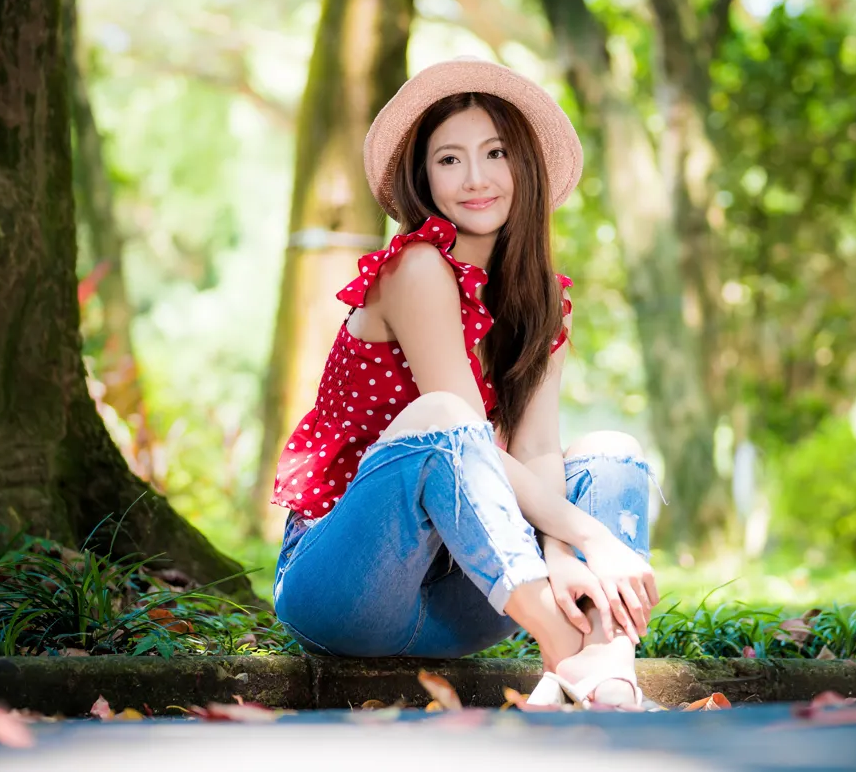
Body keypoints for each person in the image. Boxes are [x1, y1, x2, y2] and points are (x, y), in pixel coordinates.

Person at [270, 57, 661, 710]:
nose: (475, 179)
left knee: (612, 451)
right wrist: (595, 538)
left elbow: (536, 448)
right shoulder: (418, 269)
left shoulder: (543, 304)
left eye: (496, 153)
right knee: (445, 416)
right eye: (449, 159)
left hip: (469, 596)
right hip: (347, 589)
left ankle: (608, 662)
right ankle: (572, 652)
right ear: (423, 177)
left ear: (525, 167)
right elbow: (464, 437)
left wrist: (562, 553)